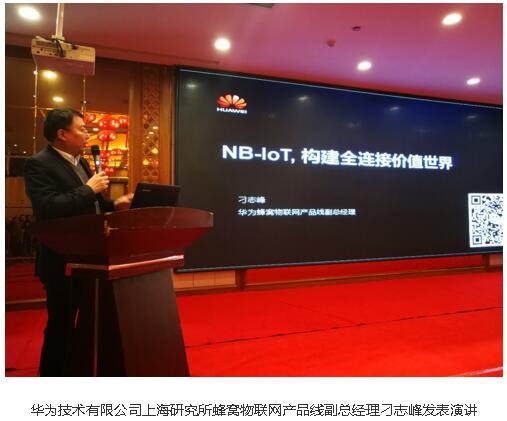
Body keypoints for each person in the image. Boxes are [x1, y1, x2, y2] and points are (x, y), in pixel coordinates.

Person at [24, 108, 133, 376]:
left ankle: (79, 372)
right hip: (61, 260)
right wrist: (88, 189)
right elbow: (48, 207)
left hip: (91, 257)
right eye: (82, 129)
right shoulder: (39, 164)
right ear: (62, 134)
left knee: (88, 323)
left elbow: (91, 205)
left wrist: (114, 204)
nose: (87, 134)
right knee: (61, 323)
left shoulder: (81, 162)